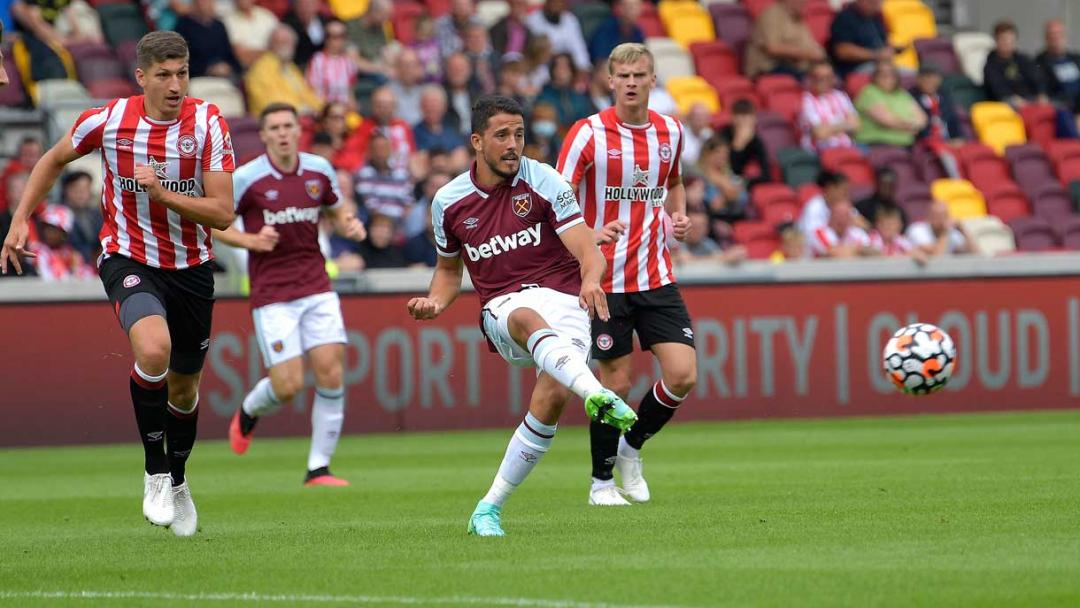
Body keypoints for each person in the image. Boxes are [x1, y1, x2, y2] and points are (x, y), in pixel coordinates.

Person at [1, 32, 236, 537]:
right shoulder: (109, 121)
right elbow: (52, 160)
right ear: (142, 77)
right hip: (128, 257)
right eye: (165, 75)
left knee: (186, 388)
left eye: (183, 73)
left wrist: (164, 195)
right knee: (154, 350)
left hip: (192, 268)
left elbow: (222, 212)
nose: (176, 86)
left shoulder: (209, 123)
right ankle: (155, 470)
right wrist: (21, 218)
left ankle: (178, 479)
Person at [407, 95, 636, 536]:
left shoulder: (545, 181)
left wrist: (591, 280)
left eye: (519, 134)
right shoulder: (449, 202)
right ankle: (598, 394)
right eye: (502, 136)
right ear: (477, 141)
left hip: (567, 301)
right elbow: (447, 274)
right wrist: (435, 303)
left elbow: (587, 250)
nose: (513, 144)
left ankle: (488, 509)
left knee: (550, 399)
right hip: (505, 307)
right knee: (529, 316)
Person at [558, 43, 696, 507]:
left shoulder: (671, 132)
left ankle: (631, 447)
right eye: (624, 75)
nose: (632, 82)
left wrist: (678, 216)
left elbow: (673, 183)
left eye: (640, 74)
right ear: (610, 81)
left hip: (656, 274)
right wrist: (590, 232)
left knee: (682, 375)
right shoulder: (588, 134)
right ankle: (600, 483)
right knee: (614, 385)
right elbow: (557, 197)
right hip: (606, 280)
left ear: (654, 80)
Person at [217, 103, 366, 486]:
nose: (282, 133)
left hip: (316, 284)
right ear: (264, 135)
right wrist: (249, 239)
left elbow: (335, 207)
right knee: (287, 385)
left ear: (297, 131)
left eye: (288, 126)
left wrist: (348, 223)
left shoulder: (319, 170)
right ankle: (249, 412)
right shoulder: (248, 177)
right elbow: (211, 223)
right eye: (274, 128)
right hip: (273, 293)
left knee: (331, 372)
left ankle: (319, 468)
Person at [745, 0, 825, 79]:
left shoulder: (798, 18)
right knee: (808, 79)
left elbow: (811, 45)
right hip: (767, 68)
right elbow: (772, 47)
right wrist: (806, 53)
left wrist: (819, 54)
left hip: (792, 67)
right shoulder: (772, 14)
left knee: (826, 74)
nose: (804, 2)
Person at [855, 61, 927, 147]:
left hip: (906, 144)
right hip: (877, 144)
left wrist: (913, 126)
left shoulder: (902, 93)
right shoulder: (869, 92)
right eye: (882, 74)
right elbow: (887, 120)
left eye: (892, 74)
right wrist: (911, 126)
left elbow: (922, 118)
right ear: (875, 76)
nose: (887, 77)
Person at [800, 61, 860, 152]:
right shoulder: (806, 100)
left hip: (848, 148)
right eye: (819, 78)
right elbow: (820, 133)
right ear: (810, 79)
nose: (824, 81)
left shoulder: (840, 96)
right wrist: (845, 125)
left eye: (828, 77)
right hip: (819, 153)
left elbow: (856, 125)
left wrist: (829, 128)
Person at [828, 0, 892, 79]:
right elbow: (842, 51)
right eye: (873, 2)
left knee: (907, 75)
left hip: (880, 65)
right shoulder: (845, 18)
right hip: (855, 69)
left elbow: (883, 42)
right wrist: (876, 55)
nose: (876, 6)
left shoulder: (875, 18)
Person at [1037, 19, 1080, 113]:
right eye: (1052, 34)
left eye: (1059, 34)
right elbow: (1042, 91)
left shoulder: (1076, 58)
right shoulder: (1040, 62)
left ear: (1065, 36)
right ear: (1046, 38)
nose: (1056, 37)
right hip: (1062, 106)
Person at [906, 200, 976, 256]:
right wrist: (944, 232)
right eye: (937, 216)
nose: (941, 219)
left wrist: (963, 231)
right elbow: (937, 257)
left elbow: (975, 254)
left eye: (944, 216)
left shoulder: (952, 233)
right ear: (928, 217)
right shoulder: (917, 230)